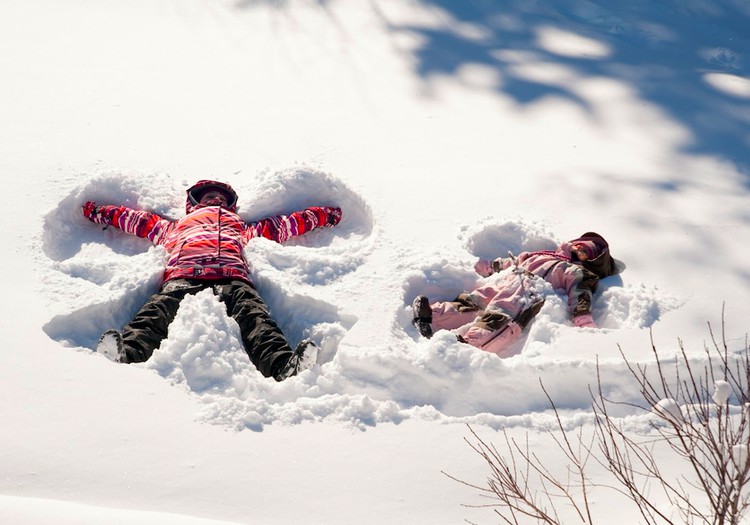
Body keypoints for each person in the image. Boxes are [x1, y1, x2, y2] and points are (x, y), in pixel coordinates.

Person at [82, 179, 342, 381]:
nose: (216, 198)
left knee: (256, 319)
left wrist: (323, 215)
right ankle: (125, 355)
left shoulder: (240, 226)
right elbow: (136, 220)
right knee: (155, 314)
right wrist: (99, 212)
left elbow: (285, 224)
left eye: (221, 197)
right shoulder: (175, 227)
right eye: (209, 196)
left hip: (233, 278)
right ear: (194, 202)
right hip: (184, 276)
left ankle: (283, 366)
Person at [411, 232, 619, 356]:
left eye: (585, 251)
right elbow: (514, 262)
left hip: (529, 290)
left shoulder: (574, 271)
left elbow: (579, 291)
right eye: (579, 245)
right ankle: (434, 316)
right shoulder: (542, 255)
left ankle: (471, 345)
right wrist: (490, 267)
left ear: (589, 260)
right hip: (510, 278)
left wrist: (582, 316)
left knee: (500, 315)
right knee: (475, 300)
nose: (578, 249)